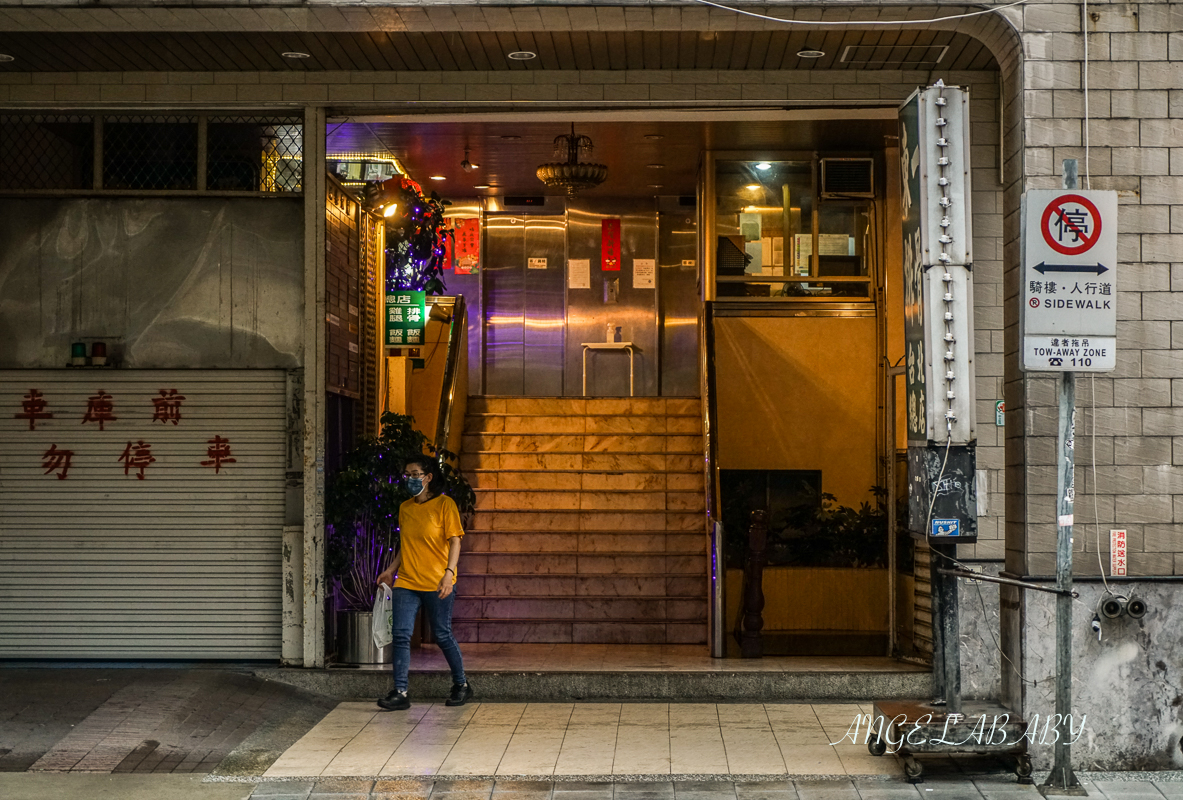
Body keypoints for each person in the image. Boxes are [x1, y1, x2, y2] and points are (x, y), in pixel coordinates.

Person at [375, 455, 472, 710]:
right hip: (407, 581)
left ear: (428, 477)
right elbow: (406, 546)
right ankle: (400, 692)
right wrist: (390, 570)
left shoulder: (445, 505)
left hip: (438, 581)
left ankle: (461, 684)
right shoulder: (405, 508)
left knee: (442, 634)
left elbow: (455, 541)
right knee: (401, 634)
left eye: (416, 474)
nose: (410, 478)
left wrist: (449, 574)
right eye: (408, 474)